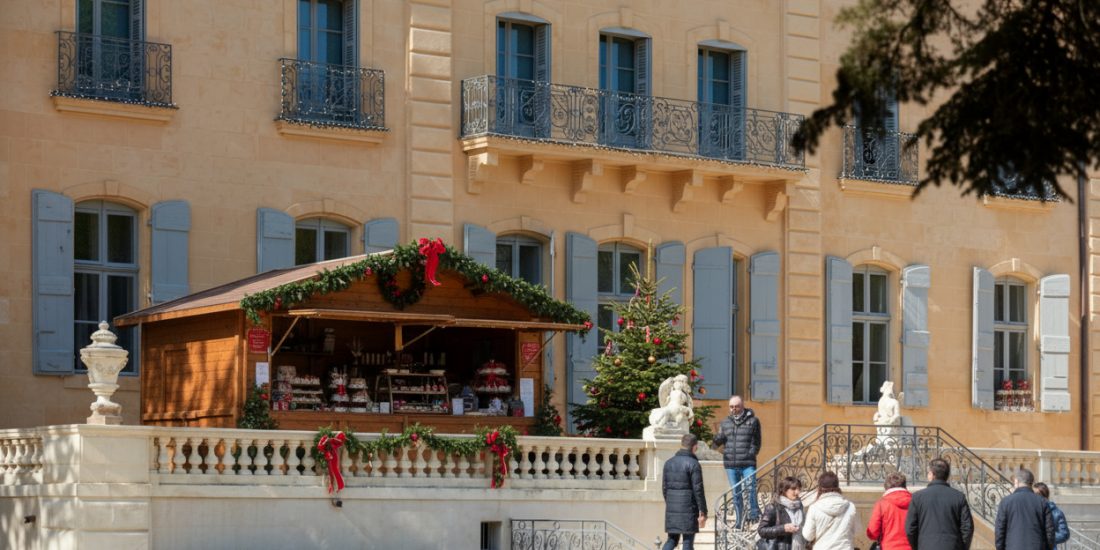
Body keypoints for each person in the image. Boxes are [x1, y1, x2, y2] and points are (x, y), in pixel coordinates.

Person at [712, 395, 762, 526]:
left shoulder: (753, 421)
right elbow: (718, 442)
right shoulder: (725, 422)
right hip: (731, 464)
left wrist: (751, 453)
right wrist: (716, 439)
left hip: (747, 463)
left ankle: (753, 516)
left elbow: (757, 442)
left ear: (742, 406)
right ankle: (739, 521)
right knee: (736, 494)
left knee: (751, 489)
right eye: (731, 407)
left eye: (736, 406)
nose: (734, 409)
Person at [905, 458, 974, 550]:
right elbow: (967, 528)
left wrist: (918, 546)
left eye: (928, 473)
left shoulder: (917, 497)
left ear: (932, 475)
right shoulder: (958, 497)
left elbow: (910, 529)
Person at [661, 433, 708, 550]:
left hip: (672, 509)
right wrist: (703, 511)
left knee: (671, 540)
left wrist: (671, 504)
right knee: (687, 543)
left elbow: (664, 488)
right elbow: (698, 490)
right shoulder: (694, 464)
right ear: (695, 447)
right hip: (689, 509)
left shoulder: (668, 463)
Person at [994, 468, 1055, 550]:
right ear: (1032, 483)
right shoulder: (1042, 502)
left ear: (1016, 482)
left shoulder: (1006, 502)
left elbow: (999, 531)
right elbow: (1050, 532)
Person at [801, 471, 858, 550]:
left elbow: (808, 536)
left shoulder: (814, 508)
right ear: (837, 486)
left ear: (820, 487)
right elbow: (855, 531)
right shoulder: (850, 506)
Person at [758, 476, 808, 550]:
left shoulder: (799, 505)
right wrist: (783, 528)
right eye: (793, 489)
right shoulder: (773, 507)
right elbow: (761, 531)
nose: (797, 492)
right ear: (784, 490)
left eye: (799, 489)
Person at [867, 472, 912, 550]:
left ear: (886, 487)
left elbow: (873, 532)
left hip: (889, 546)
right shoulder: (915, 502)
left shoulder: (882, 504)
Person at [1034, 482, 1071, 547]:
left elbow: (1064, 534)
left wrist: (1047, 537)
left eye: (1036, 494)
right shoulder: (1029, 511)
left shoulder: (1056, 512)